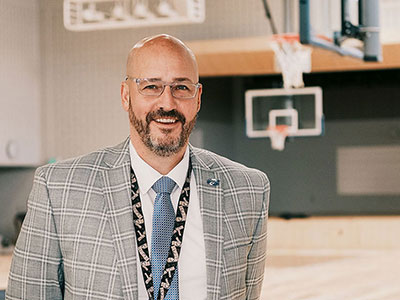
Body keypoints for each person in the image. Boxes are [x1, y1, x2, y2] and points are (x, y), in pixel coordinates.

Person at [6, 34, 270, 300]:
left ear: (198, 97)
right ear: (125, 95)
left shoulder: (248, 190)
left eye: (181, 87)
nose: (167, 103)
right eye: (151, 86)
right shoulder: (59, 188)